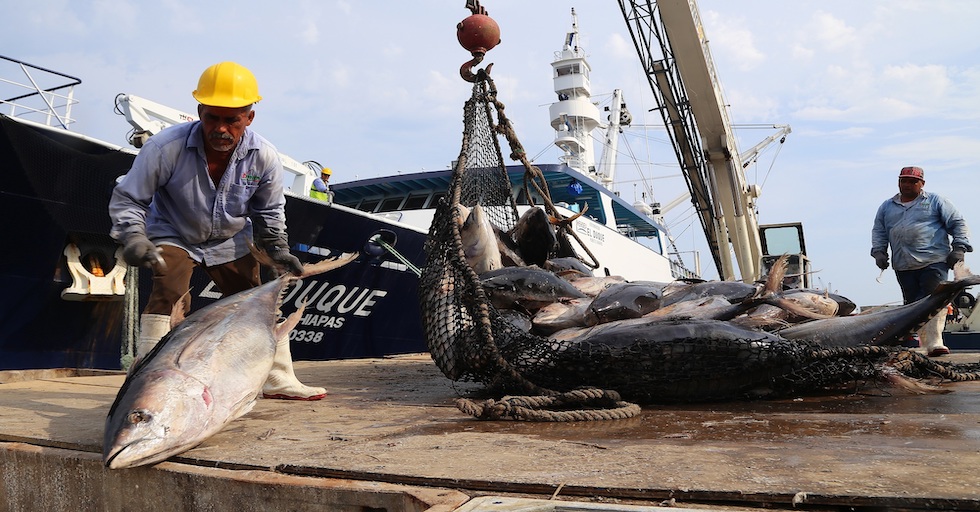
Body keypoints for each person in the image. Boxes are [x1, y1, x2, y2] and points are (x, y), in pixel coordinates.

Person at [109, 61, 326, 400]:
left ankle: (277, 378)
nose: (221, 128)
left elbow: (269, 211)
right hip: (174, 233)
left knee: (258, 302)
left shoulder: (264, 157)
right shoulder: (164, 148)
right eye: (213, 117)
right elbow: (129, 198)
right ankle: (144, 381)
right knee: (167, 293)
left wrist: (278, 249)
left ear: (249, 117)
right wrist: (133, 236)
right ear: (200, 111)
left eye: (232, 119)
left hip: (229, 239)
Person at [871, 165, 972, 357]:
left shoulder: (935, 201)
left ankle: (935, 342)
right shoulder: (887, 206)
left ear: (922, 184)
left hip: (933, 260)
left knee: (934, 301)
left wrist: (959, 247)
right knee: (912, 304)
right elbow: (879, 231)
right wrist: (879, 252)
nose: (907, 185)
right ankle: (918, 342)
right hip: (904, 264)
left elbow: (958, 222)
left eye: (912, 181)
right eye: (903, 180)